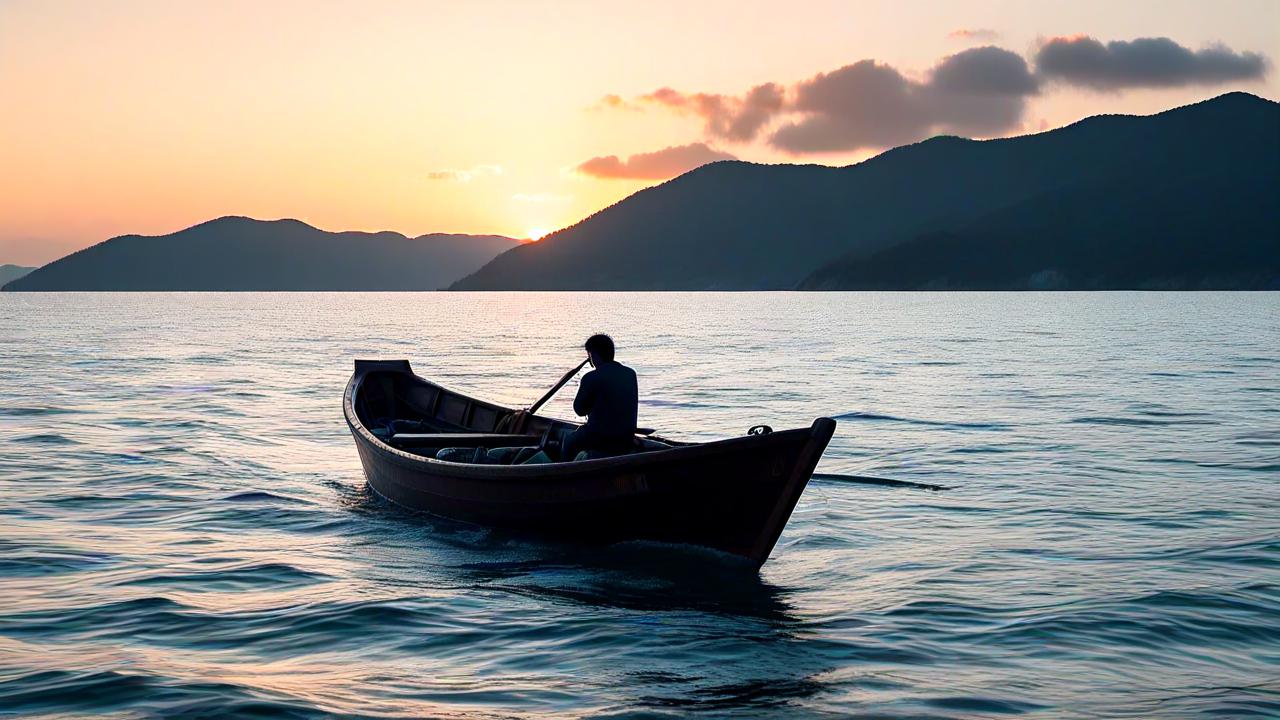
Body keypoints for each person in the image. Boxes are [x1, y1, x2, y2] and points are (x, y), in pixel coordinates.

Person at [562, 334, 638, 461]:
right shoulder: (630, 374)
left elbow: (579, 410)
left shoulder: (591, 377)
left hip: (599, 438)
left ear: (595, 355)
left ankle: (563, 472)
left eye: (589, 355)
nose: (590, 360)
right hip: (626, 439)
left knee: (568, 440)